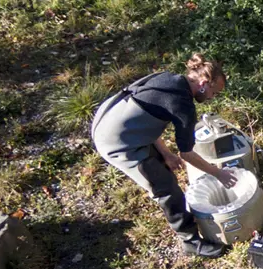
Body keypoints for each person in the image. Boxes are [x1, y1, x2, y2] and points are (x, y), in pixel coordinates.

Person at [91, 53, 237, 258]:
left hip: (110, 121)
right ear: (204, 83)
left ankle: (187, 230)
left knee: (163, 167)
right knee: (167, 190)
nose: (213, 97)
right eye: (215, 92)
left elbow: (147, 120)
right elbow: (187, 154)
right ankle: (190, 241)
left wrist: (166, 154)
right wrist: (217, 173)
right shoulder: (183, 104)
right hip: (117, 143)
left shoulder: (168, 79)